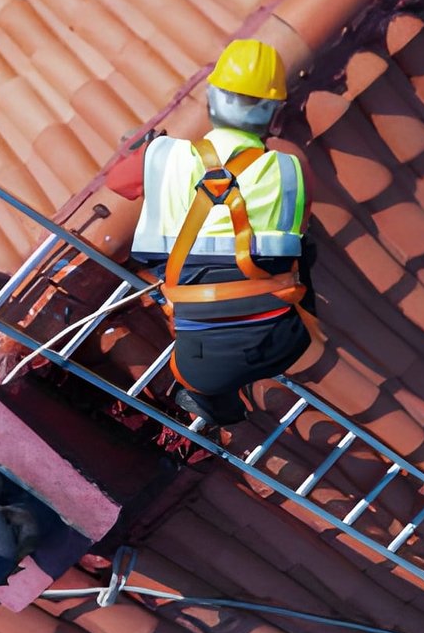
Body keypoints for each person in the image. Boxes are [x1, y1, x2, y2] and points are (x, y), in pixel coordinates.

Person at [106, 38, 316, 425]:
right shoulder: (290, 169)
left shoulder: (164, 156)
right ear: (274, 111)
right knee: (302, 253)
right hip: (286, 340)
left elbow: (117, 183)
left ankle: (216, 394)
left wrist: (147, 153)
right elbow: (298, 234)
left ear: (212, 99)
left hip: (204, 352)